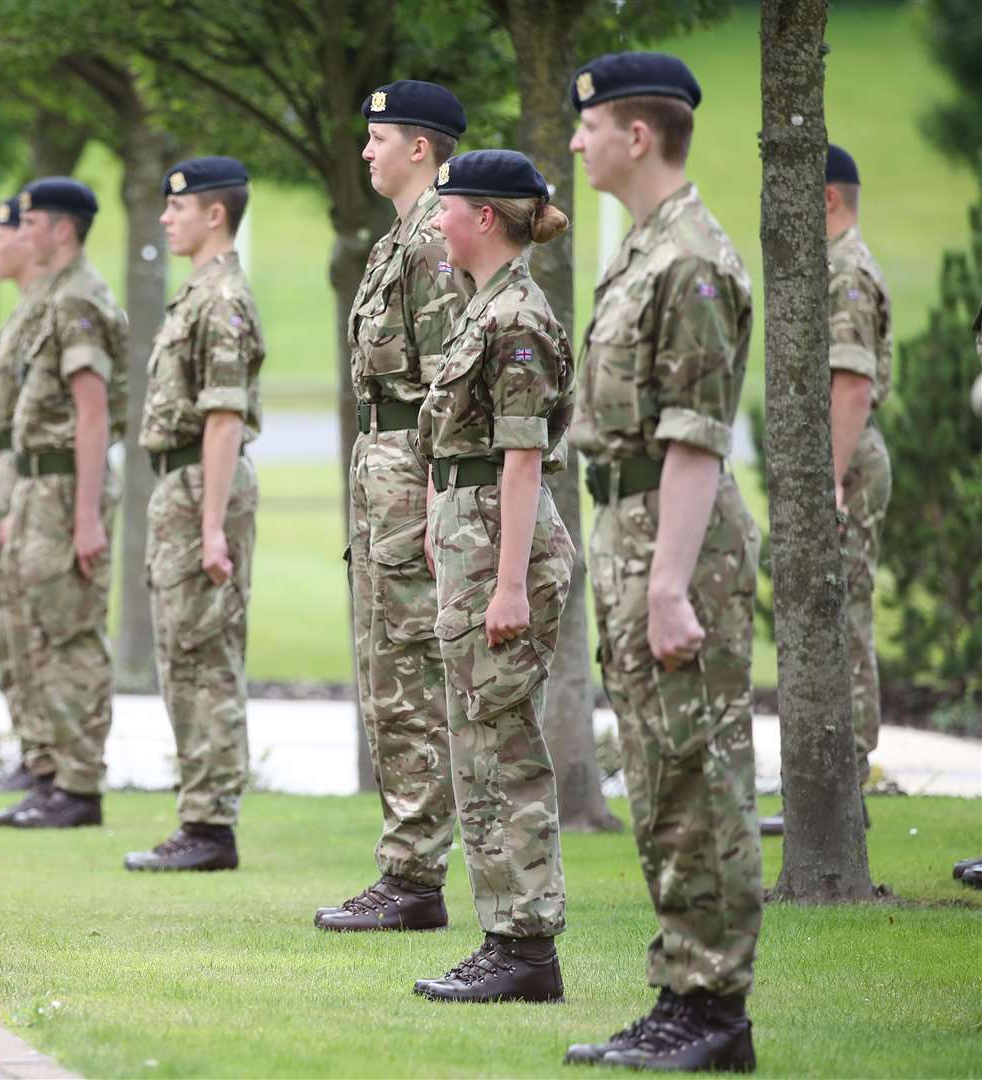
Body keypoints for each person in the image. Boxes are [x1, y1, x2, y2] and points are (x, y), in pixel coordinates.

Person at [563, 53, 762, 1072]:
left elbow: (694, 435)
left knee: (697, 772)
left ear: (635, 135)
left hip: (674, 535)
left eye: (588, 125)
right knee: (656, 771)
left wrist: (669, 584)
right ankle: (683, 993)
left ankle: (715, 1011)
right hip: (633, 526)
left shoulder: (688, 259)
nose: (574, 141)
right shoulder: (645, 249)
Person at [408, 149, 575, 1003]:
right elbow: (464, 448)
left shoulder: (515, 316)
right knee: (475, 743)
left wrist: (508, 582)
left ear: (482, 217)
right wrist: (444, 520)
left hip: (502, 549)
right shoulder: (484, 307)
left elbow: (521, 458)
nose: (434, 222)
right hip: (473, 540)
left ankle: (525, 946)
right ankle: (503, 938)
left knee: (503, 746)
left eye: (445, 208)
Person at [318, 80, 471, 932]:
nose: (366, 151)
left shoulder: (435, 240)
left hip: (410, 474)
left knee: (409, 677)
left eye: (379, 138)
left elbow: (452, 380)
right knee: (387, 674)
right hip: (383, 472)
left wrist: (433, 503)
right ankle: (404, 869)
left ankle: (415, 879)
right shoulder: (397, 241)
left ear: (422, 147)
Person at [123, 156, 264, 872]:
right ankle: (198, 817)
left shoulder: (222, 300)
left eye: (177, 207)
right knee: (182, 653)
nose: (165, 218)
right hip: (179, 486)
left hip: (201, 486)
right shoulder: (198, 294)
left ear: (214, 214)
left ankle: (210, 826)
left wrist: (211, 525)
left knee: (204, 656)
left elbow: (223, 418)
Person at [760, 144, 890, 838]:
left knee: (843, 622)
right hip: (837, 456)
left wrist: (831, 480)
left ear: (827, 199)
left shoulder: (844, 273)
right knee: (828, 621)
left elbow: (852, 383)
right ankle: (830, 792)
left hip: (846, 457)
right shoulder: (835, 266)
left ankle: (845, 786)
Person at [0, 177, 129, 829]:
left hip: (64, 488)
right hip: (37, 485)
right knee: (42, 629)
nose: (23, 234)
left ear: (61, 229)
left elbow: (92, 414)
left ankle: (79, 784)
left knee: (71, 630)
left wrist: (85, 518)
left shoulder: (78, 297)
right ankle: (54, 778)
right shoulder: (55, 292)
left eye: (32, 223)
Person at [0, 195, 53, 821]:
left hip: (22, 477)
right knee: (7, 620)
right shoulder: (24, 311)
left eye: (3, 234)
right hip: (2, 471)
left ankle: (50, 755)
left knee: (32, 621)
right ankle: (32, 748)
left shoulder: (48, 312)